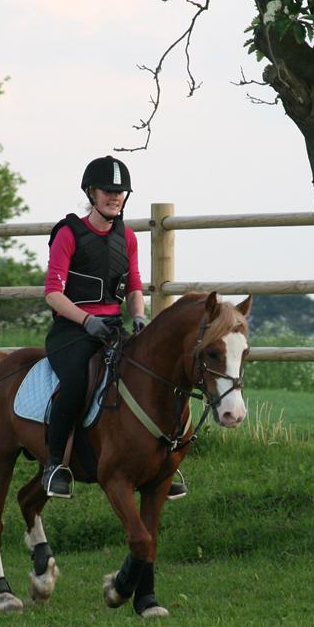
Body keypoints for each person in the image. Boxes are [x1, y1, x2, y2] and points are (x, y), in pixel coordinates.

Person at [41, 155, 187, 501]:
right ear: (91, 192)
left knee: (153, 377)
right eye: (108, 190)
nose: (115, 196)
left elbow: (134, 285)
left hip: (111, 329)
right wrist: (86, 320)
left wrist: (139, 317)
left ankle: (163, 462)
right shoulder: (68, 232)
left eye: (120, 191)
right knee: (77, 381)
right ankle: (54, 464)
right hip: (71, 331)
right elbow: (52, 294)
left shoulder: (128, 237)